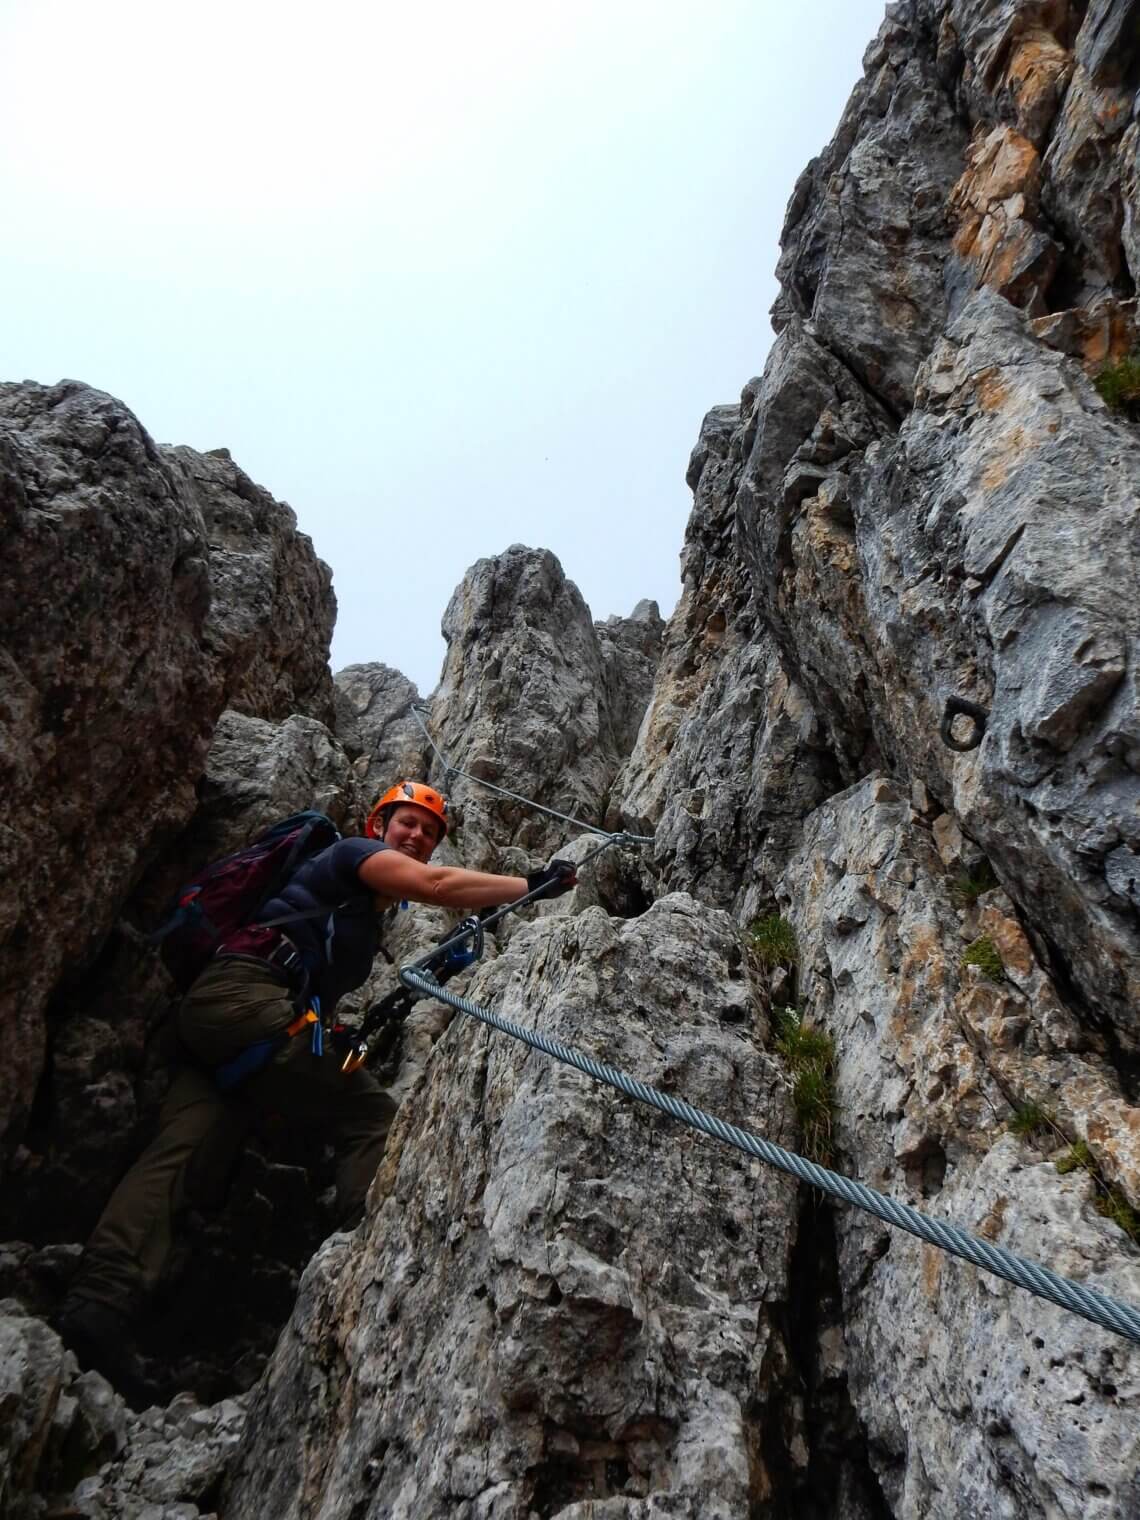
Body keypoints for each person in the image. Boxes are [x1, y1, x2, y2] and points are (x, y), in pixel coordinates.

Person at [57, 780, 576, 1390]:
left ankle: (98, 1304)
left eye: (430, 832)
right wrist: (530, 885)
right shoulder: (351, 853)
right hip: (245, 1002)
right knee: (371, 1118)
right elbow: (437, 888)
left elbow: (315, 985)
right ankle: (375, 1257)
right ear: (376, 823)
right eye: (407, 823)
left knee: (185, 1149)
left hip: (227, 1021)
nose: (418, 837)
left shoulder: (359, 915)